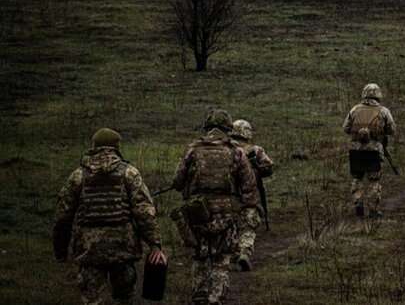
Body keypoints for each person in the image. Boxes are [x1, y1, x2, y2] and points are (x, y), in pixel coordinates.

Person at [53, 128, 167, 305]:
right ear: (116, 147)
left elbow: (62, 216)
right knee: (124, 298)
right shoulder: (129, 173)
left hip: (89, 251)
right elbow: (144, 212)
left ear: (94, 147)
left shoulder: (78, 176)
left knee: (91, 300)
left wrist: (60, 250)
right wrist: (155, 244)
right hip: (122, 250)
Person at [172, 109, 258, 305]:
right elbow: (249, 186)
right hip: (226, 214)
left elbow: (177, 181)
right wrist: (247, 210)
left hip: (197, 212)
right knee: (221, 260)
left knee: (200, 257)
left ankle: (199, 296)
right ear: (228, 128)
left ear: (207, 127)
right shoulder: (236, 152)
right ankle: (216, 298)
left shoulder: (192, 150)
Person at [342, 83, 396, 218]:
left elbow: (346, 128)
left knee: (357, 177)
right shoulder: (383, 111)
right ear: (378, 95)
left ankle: (358, 204)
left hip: (356, 150)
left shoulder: (354, 110)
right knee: (374, 180)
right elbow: (392, 130)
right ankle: (373, 209)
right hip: (374, 150)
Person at [229, 119, 273, 272]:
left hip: (229, 194)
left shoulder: (227, 148)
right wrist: (256, 170)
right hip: (250, 194)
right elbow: (268, 167)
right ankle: (244, 252)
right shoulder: (255, 150)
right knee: (249, 225)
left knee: (231, 224)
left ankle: (233, 252)